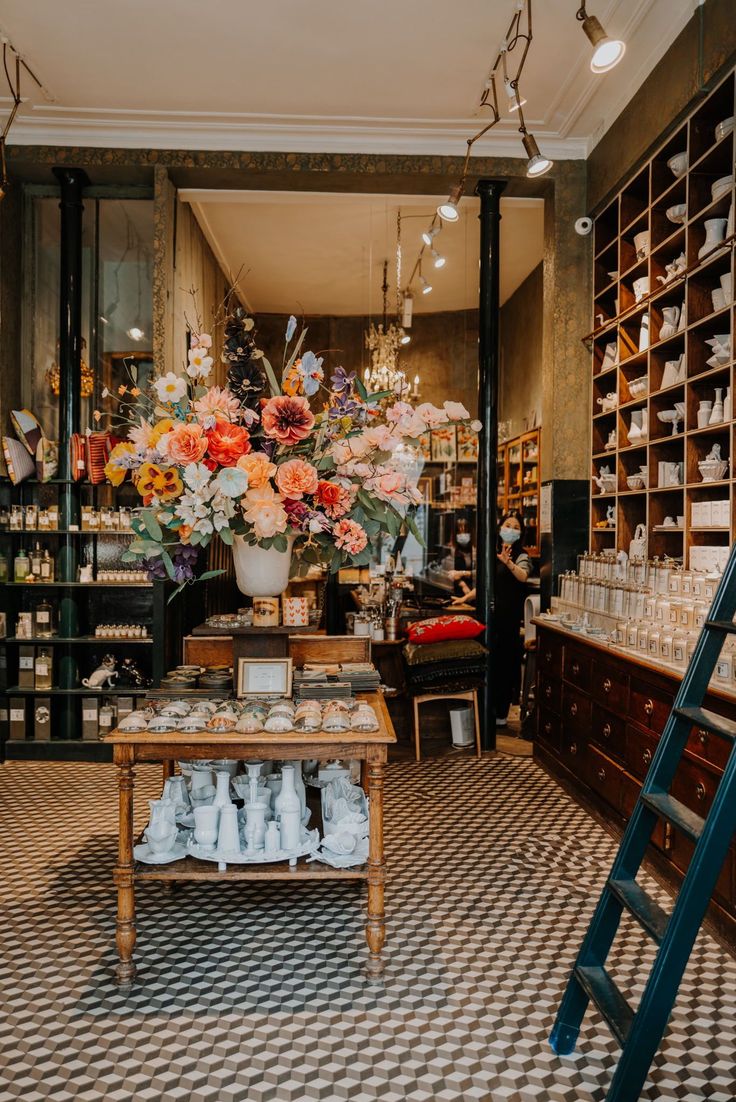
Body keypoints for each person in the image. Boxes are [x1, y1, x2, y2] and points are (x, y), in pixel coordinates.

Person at [492, 513, 532, 727]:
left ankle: (501, 714)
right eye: (508, 525)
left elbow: (523, 576)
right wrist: (464, 597)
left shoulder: (521, 555)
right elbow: (487, 584)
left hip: (509, 619)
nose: (511, 529)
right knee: (493, 665)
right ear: (499, 528)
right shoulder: (493, 552)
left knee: (506, 666)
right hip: (493, 618)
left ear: (521, 532)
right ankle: (490, 710)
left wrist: (508, 563)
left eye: (516, 527)